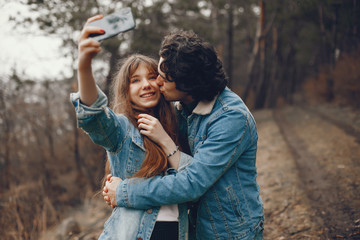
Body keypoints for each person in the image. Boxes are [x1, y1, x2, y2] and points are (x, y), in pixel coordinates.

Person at [103, 30, 265, 240]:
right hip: (199, 228)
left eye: (163, 77)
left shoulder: (230, 118)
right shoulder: (184, 109)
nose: (157, 82)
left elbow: (191, 183)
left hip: (232, 232)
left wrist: (124, 192)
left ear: (187, 84)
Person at [71, 15, 192, 240]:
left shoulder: (180, 122)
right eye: (135, 80)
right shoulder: (121, 129)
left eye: (151, 76)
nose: (145, 84)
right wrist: (84, 65)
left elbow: (195, 180)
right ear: (125, 90)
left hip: (178, 232)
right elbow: (94, 115)